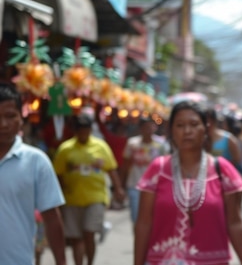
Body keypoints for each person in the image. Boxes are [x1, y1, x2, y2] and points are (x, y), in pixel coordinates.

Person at [134, 100, 242, 265]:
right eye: (180, 125)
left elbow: (234, 222)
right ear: (171, 130)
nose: (187, 131)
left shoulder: (222, 170)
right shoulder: (157, 170)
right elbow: (143, 223)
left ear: (205, 128)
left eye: (194, 124)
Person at [0, 83, 66, 265]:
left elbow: (52, 217)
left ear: (21, 118)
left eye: (10, 116)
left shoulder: (36, 162)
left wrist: (61, 262)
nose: (3, 124)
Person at [53, 112, 125, 265]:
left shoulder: (101, 146)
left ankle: (90, 262)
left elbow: (111, 169)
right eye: (80, 130)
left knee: (89, 233)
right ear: (75, 131)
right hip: (72, 198)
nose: (83, 133)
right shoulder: (65, 149)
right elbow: (58, 174)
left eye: (86, 129)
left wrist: (118, 189)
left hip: (96, 198)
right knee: (76, 238)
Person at [120, 116, 169, 223]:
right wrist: (120, 186)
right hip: (134, 185)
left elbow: (166, 167)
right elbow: (125, 165)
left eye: (150, 126)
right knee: (136, 217)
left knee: (153, 218)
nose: (148, 129)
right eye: (145, 127)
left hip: (155, 187)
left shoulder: (161, 145)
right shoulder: (132, 143)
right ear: (141, 128)